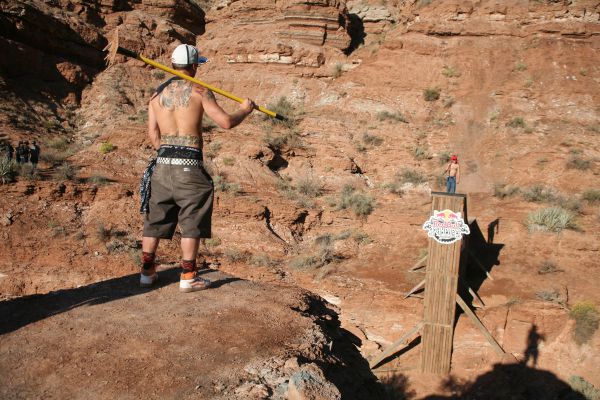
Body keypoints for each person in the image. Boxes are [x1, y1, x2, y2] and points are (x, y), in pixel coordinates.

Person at [140, 44, 256, 292]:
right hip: (190, 167)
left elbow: (152, 132)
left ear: (172, 65)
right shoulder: (200, 91)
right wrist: (245, 110)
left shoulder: (156, 94)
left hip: (161, 165)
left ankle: (147, 272)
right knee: (192, 219)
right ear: (194, 66)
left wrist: (167, 152)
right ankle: (188, 276)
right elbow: (225, 122)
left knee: (155, 219)